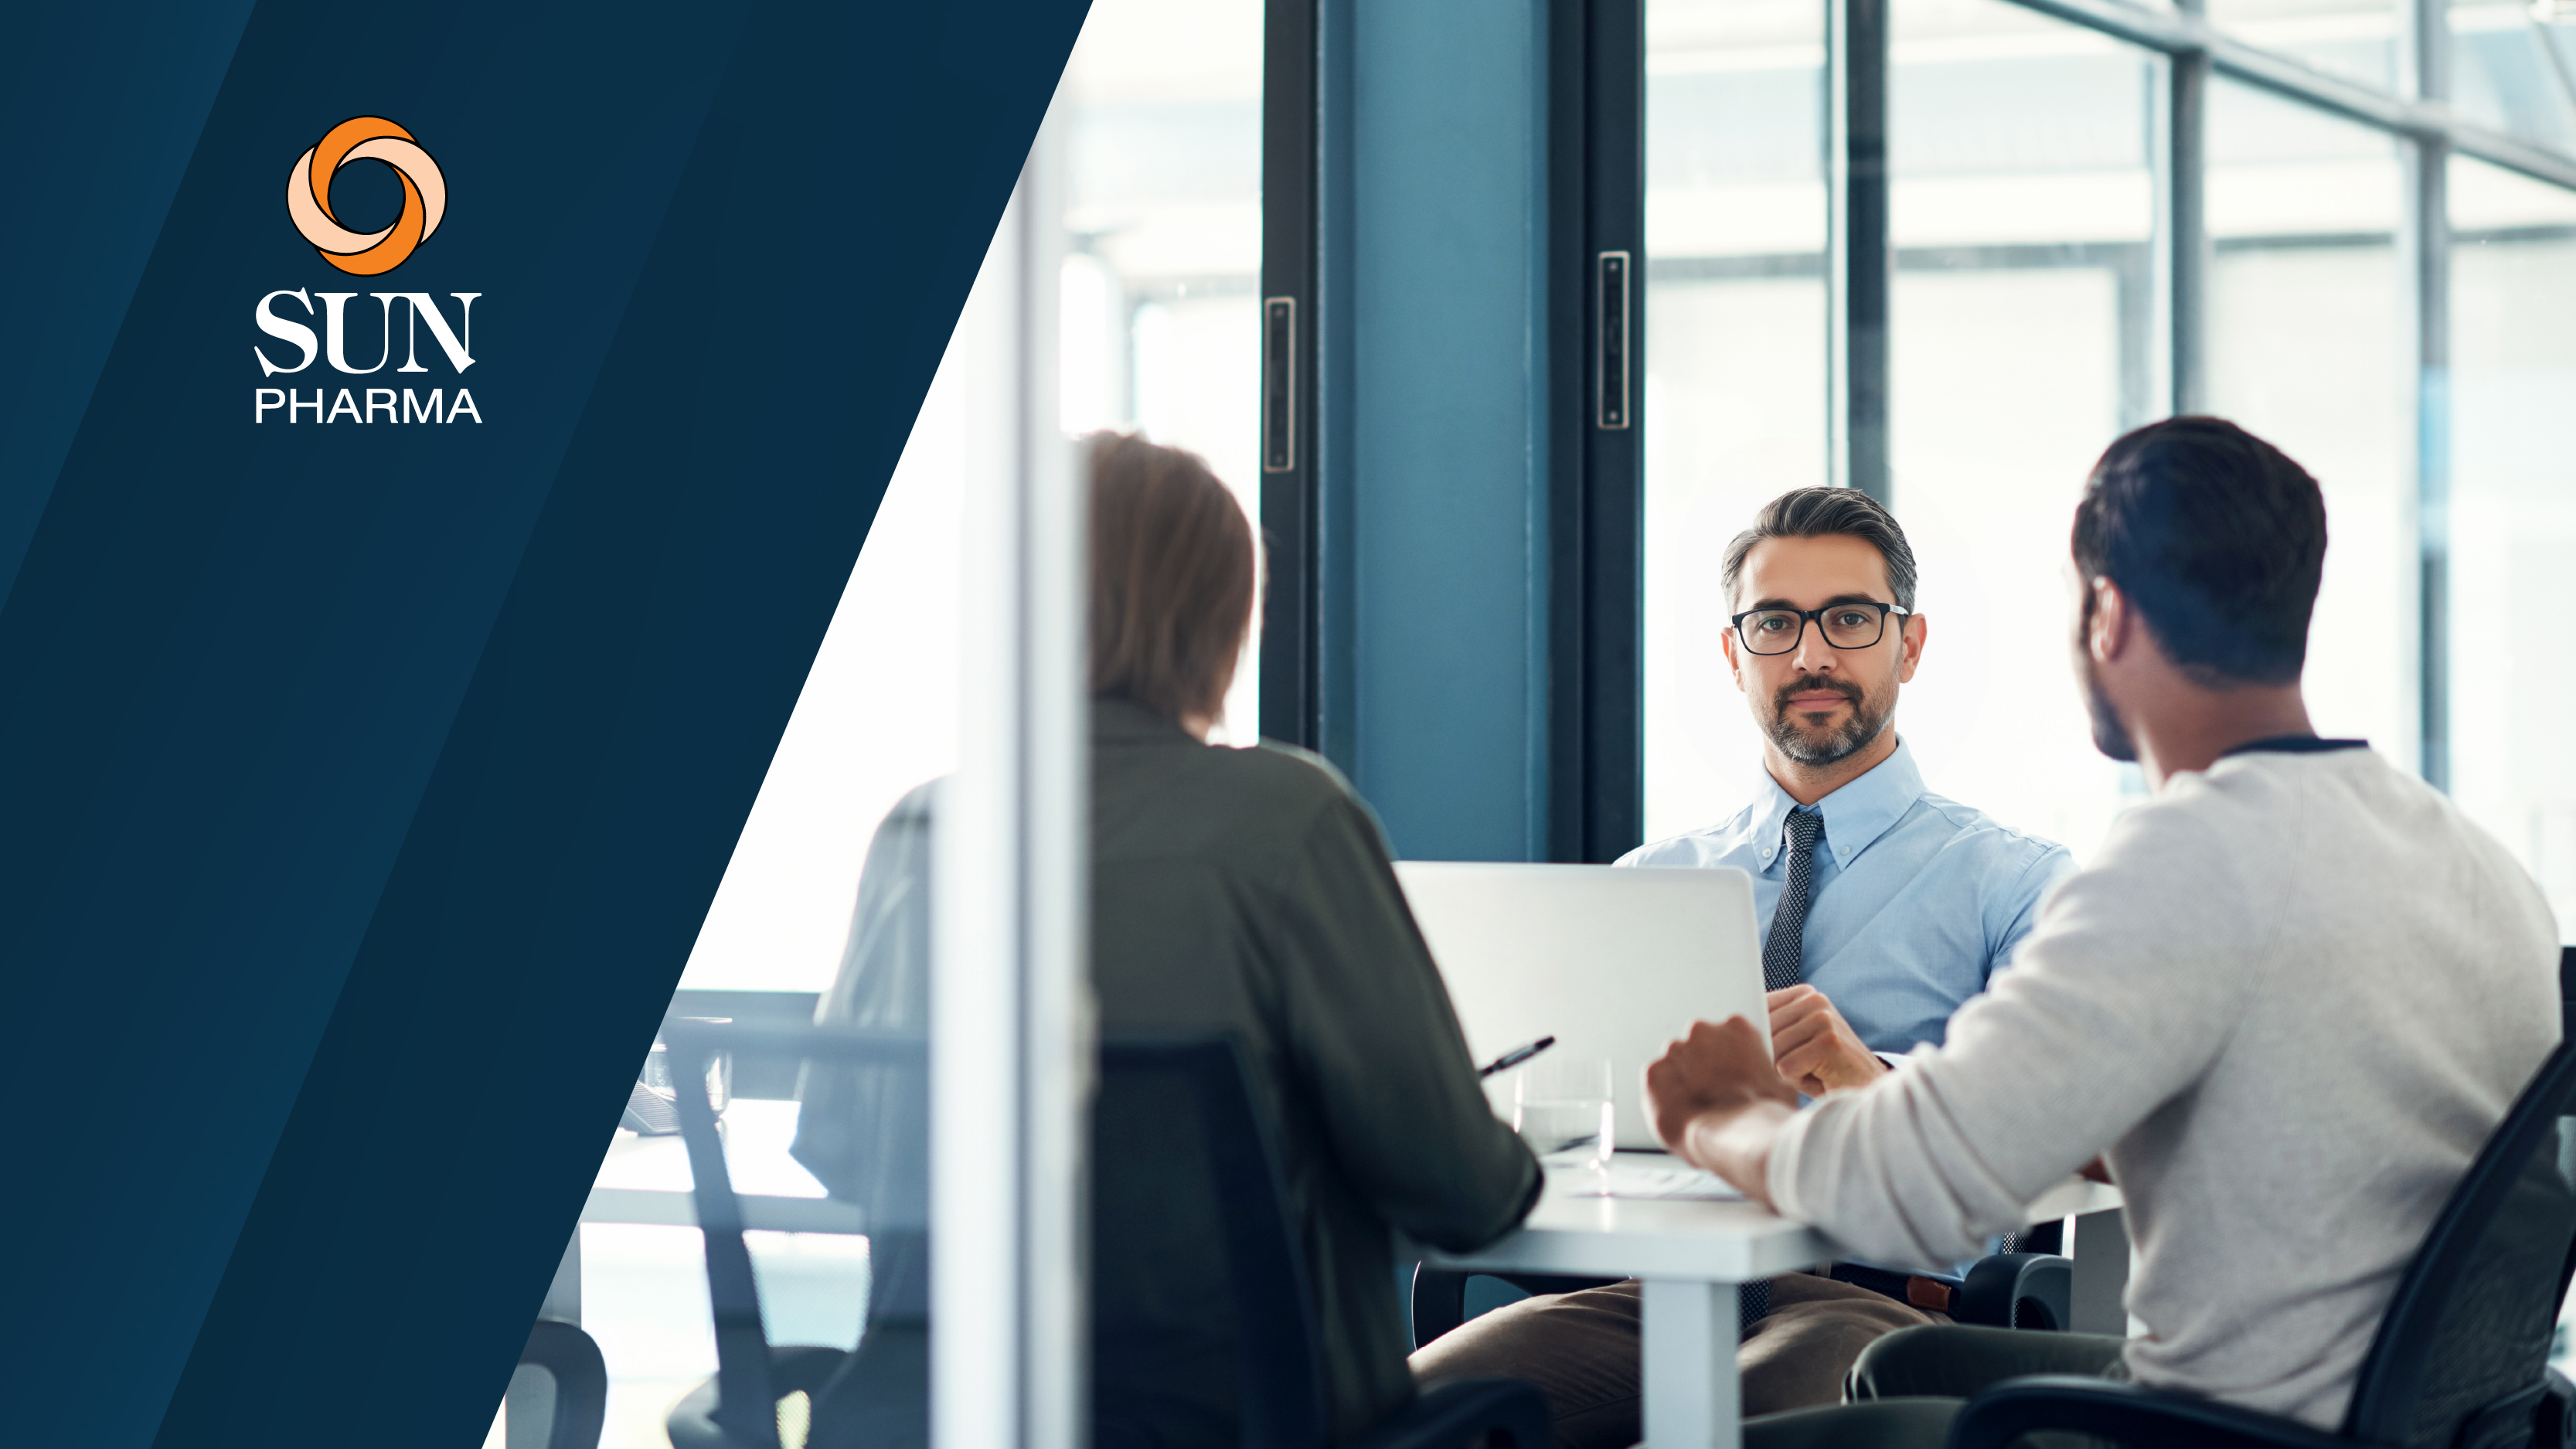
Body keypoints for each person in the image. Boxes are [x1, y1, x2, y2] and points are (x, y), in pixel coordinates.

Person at [1640, 417, 2562, 1448]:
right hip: (2401, 1417)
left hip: (2215, 1427)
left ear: (2107, 615)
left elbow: (1901, 1187)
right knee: (1903, 1366)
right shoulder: (2481, 867)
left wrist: (1721, 1112)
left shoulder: (2181, 862)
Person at [792, 432, 1541, 1449]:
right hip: (1241, 1417)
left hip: (943, 1414)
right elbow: (1464, 1193)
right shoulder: (1284, 818)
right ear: (1220, 617)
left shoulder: (923, 828)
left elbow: (836, 1143)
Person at [1411, 487, 2075, 1438]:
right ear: (1734, 655)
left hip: (1884, 1303)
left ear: (1910, 644)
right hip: (1658, 1288)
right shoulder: (1653, 882)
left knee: (1744, 1423)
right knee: (1400, 1414)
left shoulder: (2014, 883)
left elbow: (2061, 1126)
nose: (1811, 654)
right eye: (1774, 623)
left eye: (1849, 618)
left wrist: (1870, 1083)